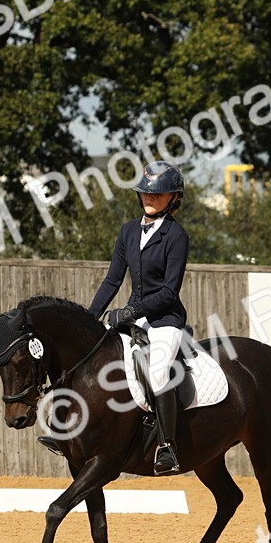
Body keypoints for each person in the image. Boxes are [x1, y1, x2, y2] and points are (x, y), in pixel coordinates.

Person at [87, 160, 189, 475]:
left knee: (157, 374)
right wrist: (90, 318)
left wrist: (132, 310)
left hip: (165, 321)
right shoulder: (128, 230)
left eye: (157, 194)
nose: (149, 198)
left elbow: (169, 292)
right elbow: (112, 280)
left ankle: (168, 447)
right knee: (96, 362)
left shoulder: (176, 236)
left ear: (173, 198)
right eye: (145, 192)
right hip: (133, 319)